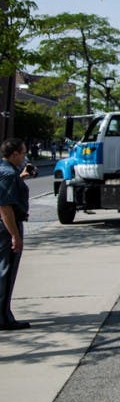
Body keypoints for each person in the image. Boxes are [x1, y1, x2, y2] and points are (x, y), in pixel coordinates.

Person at [0, 138, 33, 331]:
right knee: (6, 272)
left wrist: (22, 177)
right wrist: (14, 235)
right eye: (22, 153)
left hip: (6, 226)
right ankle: (4, 318)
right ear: (14, 154)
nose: (24, 156)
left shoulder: (8, 172)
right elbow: (4, 206)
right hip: (7, 227)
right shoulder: (8, 174)